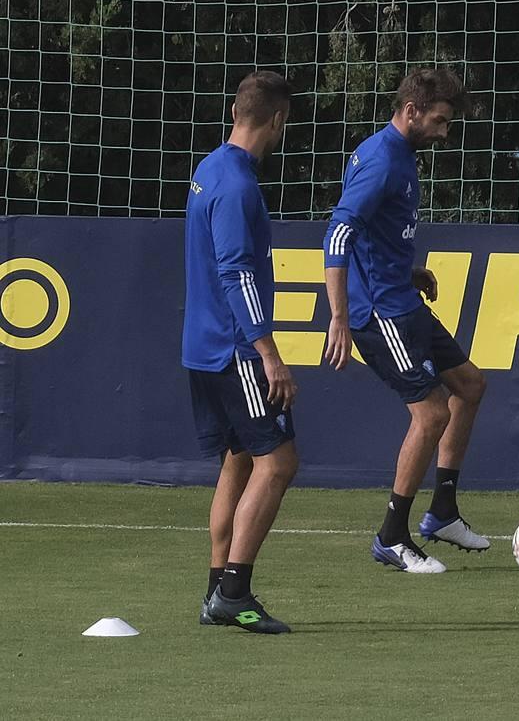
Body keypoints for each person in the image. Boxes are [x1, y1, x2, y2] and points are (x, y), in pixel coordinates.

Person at [322, 68, 489, 574]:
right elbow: (338, 233)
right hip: (378, 312)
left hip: (400, 295)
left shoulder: (401, 154)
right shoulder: (380, 160)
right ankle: (392, 537)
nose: (444, 132)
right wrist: (339, 317)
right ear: (411, 110)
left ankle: (442, 512)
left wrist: (407, 269)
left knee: (471, 385)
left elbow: (375, 232)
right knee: (431, 413)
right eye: (439, 120)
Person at [183, 70, 299, 634]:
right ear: (277, 120)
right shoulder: (238, 186)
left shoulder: (209, 169)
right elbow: (236, 272)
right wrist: (268, 352)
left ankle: (215, 590)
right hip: (235, 351)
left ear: (235, 111)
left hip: (203, 348)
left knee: (238, 459)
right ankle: (234, 591)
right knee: (278, 461)